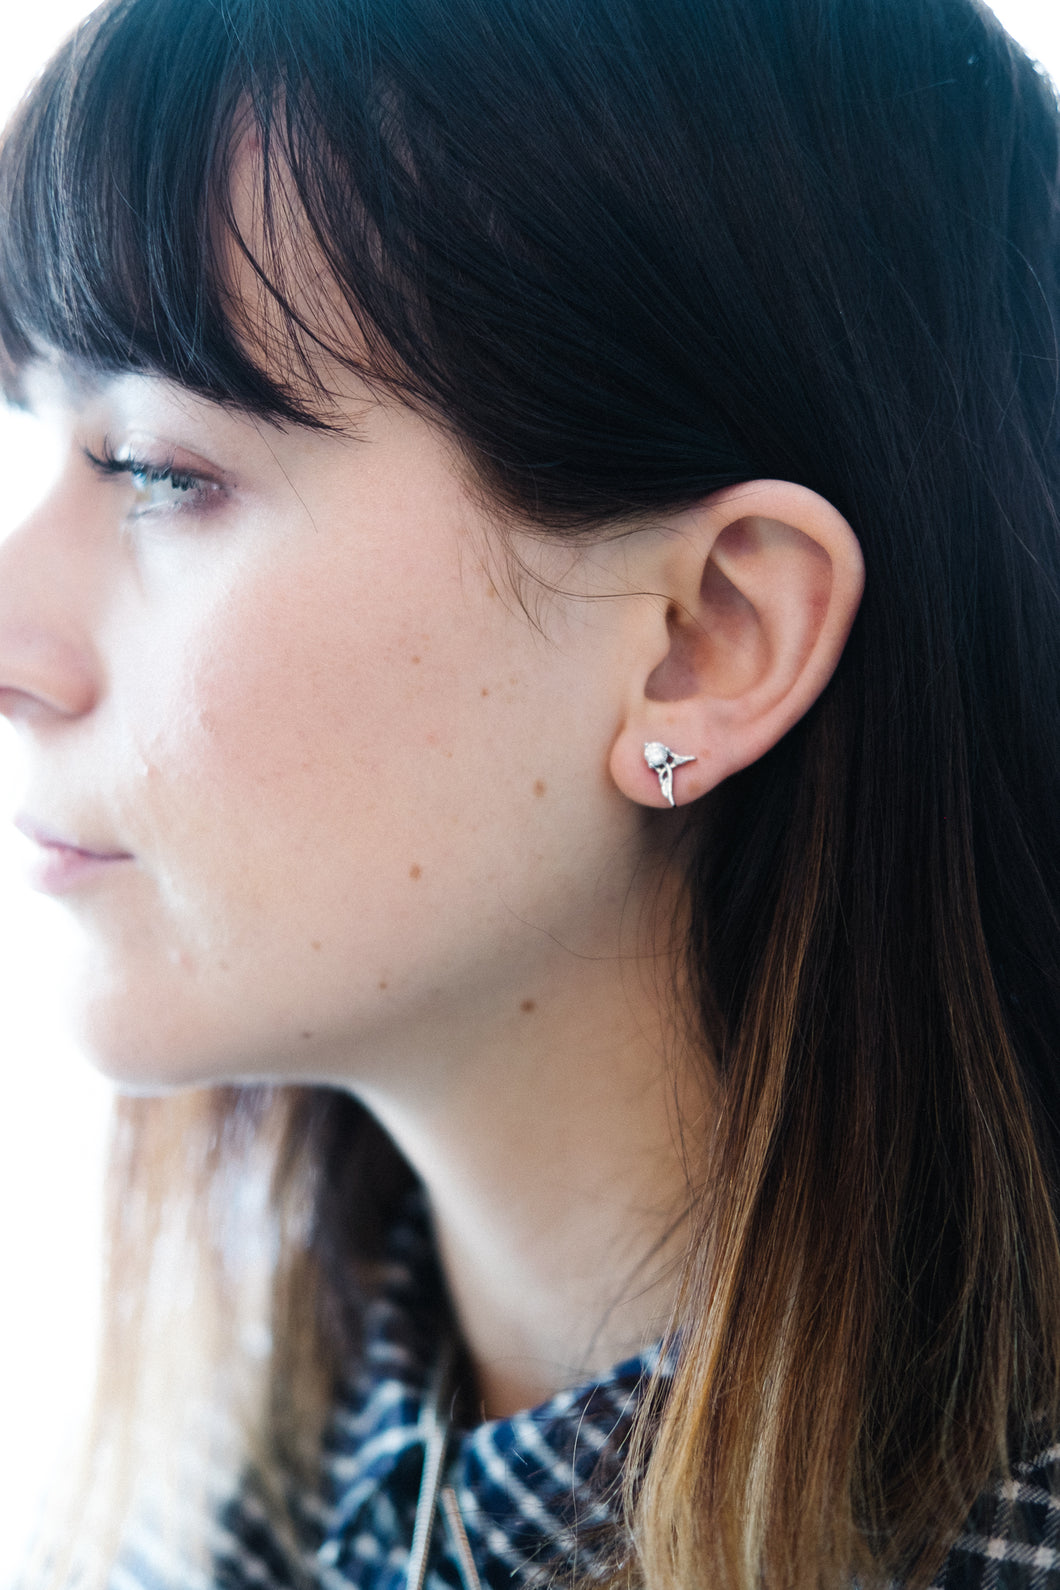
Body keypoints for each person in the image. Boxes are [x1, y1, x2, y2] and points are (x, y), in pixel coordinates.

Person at [1, 0, 1059, 1584]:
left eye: (163, 470)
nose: (19, 637)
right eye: (41, 445)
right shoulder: (238, 1488)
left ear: (706, 639)